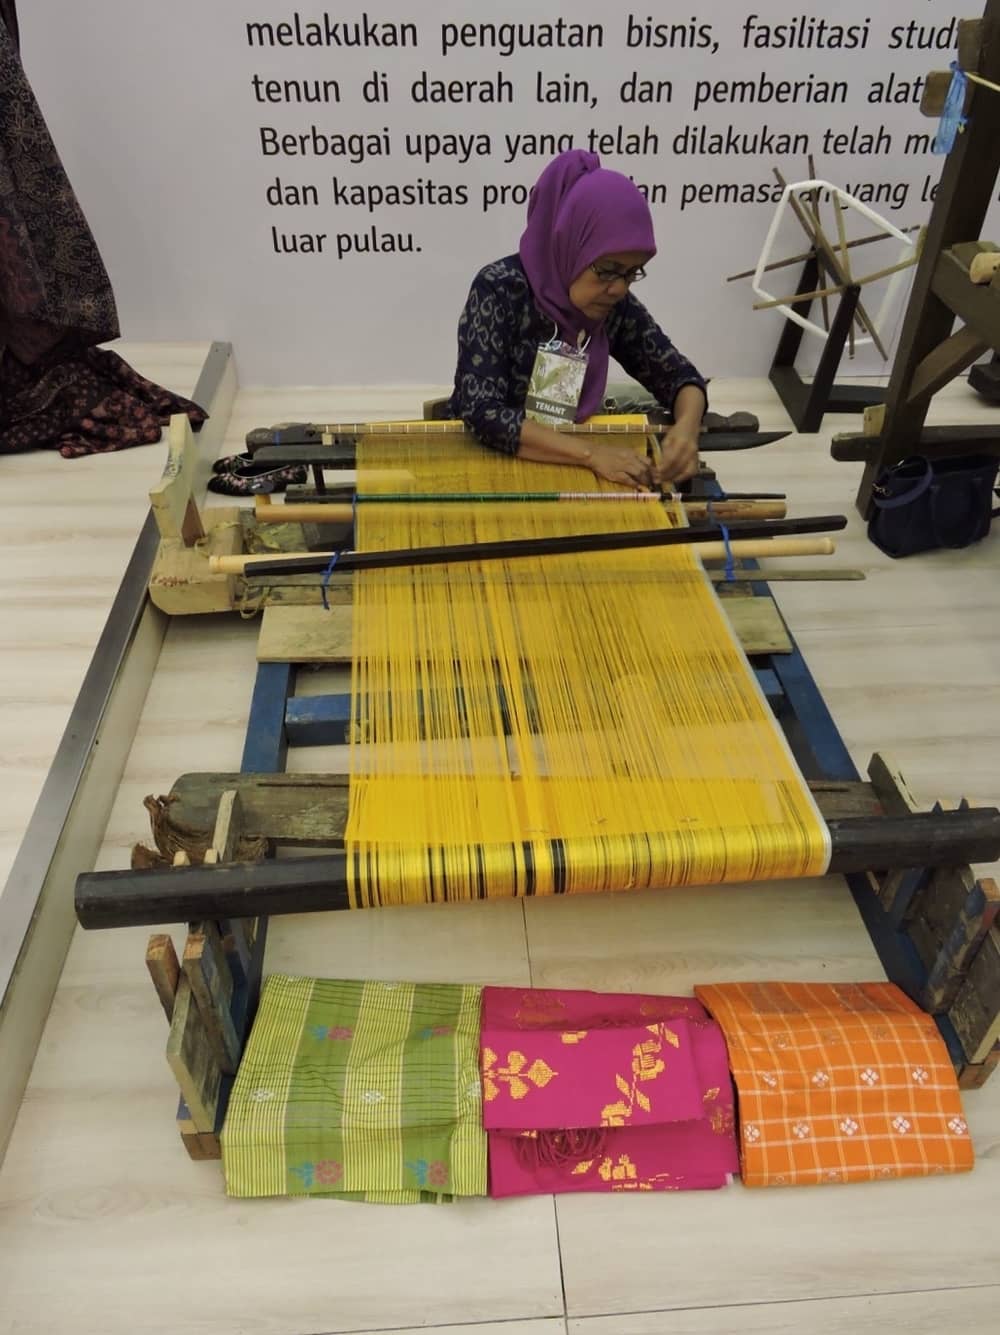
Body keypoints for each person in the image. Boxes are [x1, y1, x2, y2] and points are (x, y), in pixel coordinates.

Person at [448, 150, 707, 491]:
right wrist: (591, 454)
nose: (619, 288)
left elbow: (680, 376)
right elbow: (482, 411)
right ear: (569, 245)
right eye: (607, 270)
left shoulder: (612, 305)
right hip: (489, 463)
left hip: (566, 459)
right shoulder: (499, 290)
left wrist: (687, 428)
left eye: (632, 272)